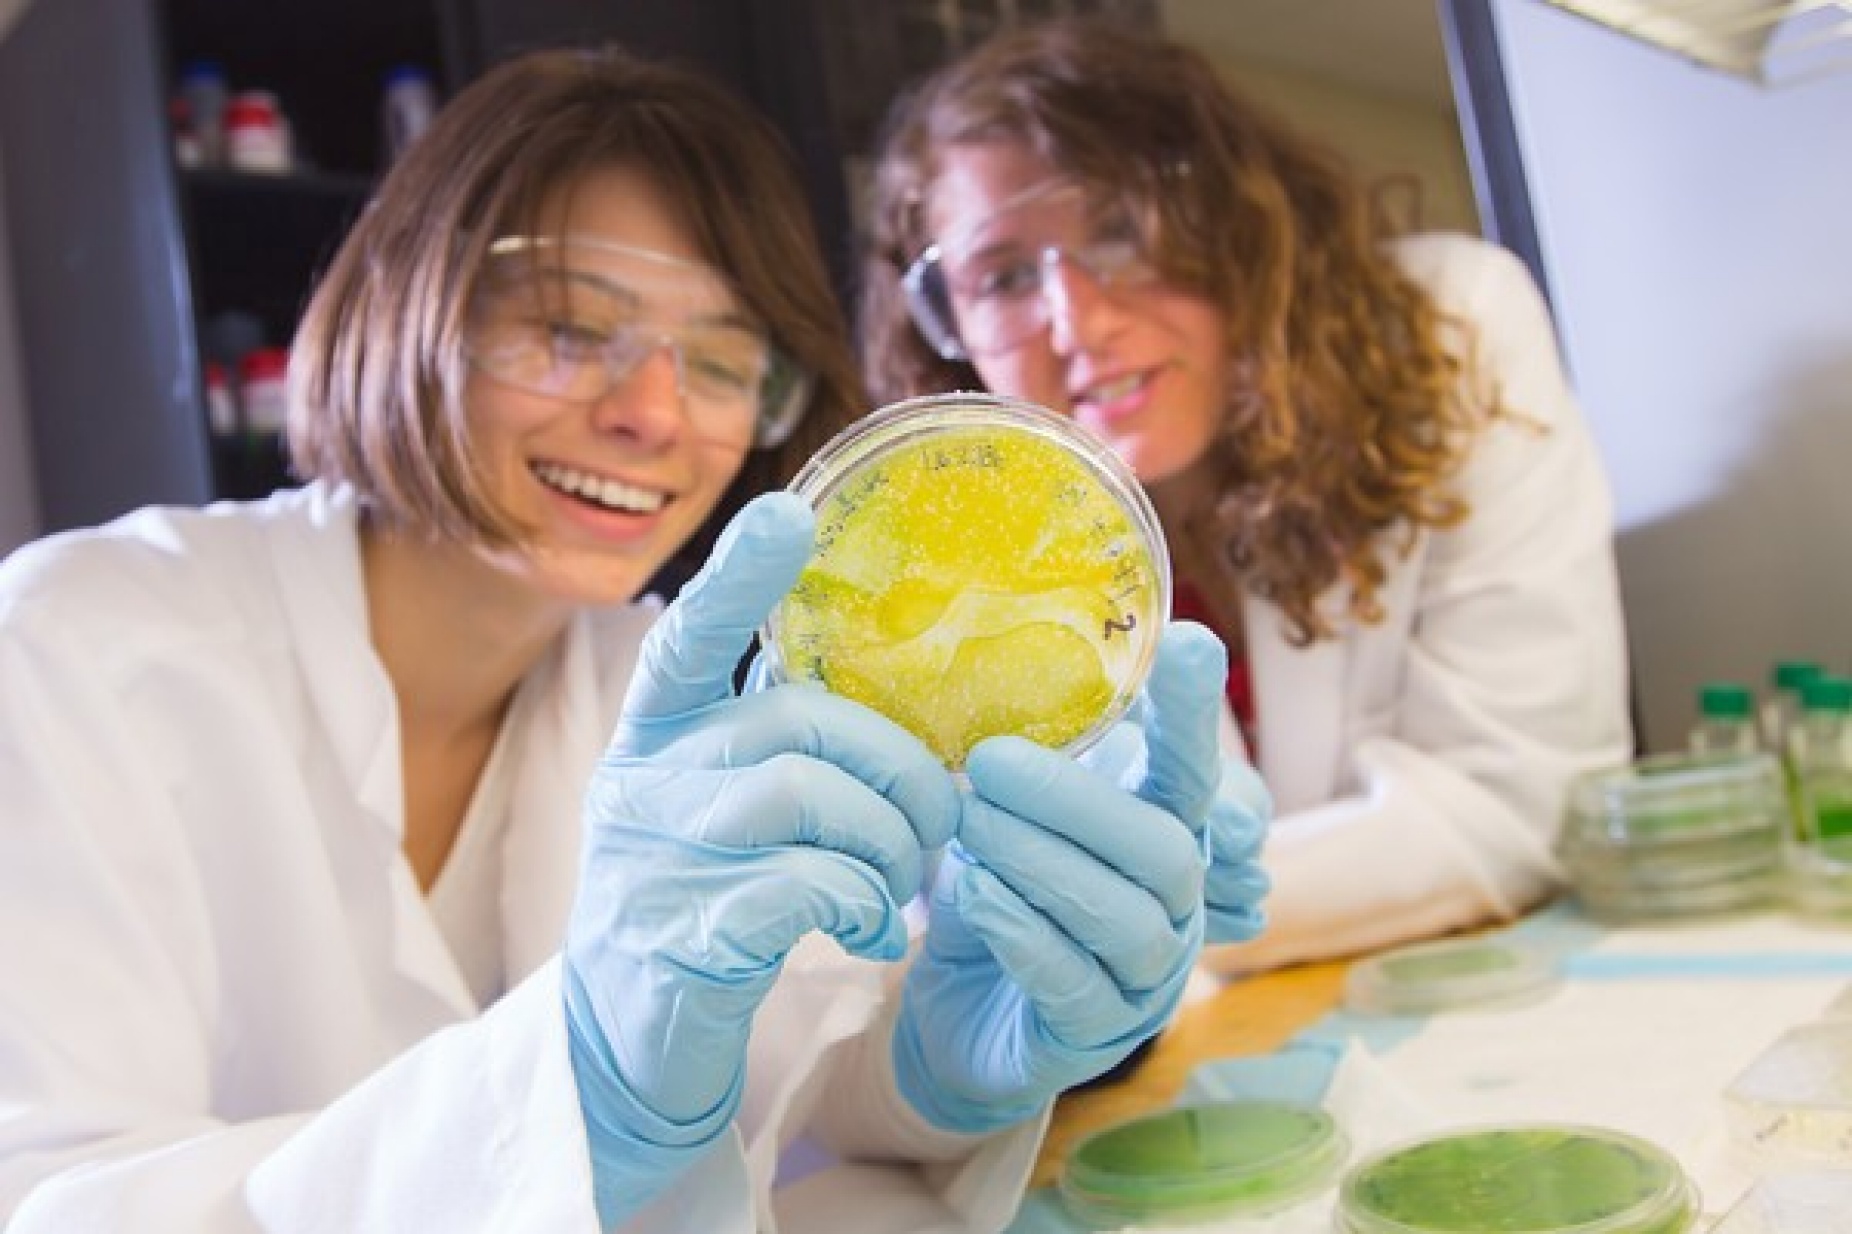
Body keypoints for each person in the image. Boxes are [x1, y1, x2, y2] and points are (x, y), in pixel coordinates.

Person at [0, 46, 1268, 1233]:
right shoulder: (75, 649)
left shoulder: (654, 681)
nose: (655, 413)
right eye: (567, 328)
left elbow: (791, 1098)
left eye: (723, 362)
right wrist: (587, 1094)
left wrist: (940, 1069)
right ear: (401, 302)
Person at [858, 17, 1632, 972]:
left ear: (1234, 218)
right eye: (1006, 275)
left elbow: (1526, 807)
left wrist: (1153, 927)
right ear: (947, 330)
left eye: (1119, 228)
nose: (1077, 322)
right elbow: (981, 906)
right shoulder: (954, 544)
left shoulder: (1446, 336)